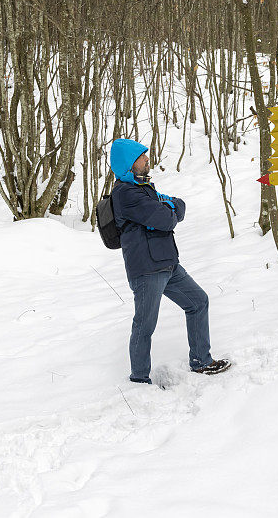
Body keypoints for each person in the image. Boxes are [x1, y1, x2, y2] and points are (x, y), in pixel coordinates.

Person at [109, 138, 231, 384]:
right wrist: (166, 209)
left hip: (168, 263)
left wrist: (167, 207)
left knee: (198, 302)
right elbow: (166, 219)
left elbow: (179, 207)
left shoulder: (145, 188)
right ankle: (139, 379)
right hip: (147, 269)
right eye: (141, 157)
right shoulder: (125, 193)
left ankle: (201, 361)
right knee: (145, 324)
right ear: (129, 163)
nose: (146, 160)